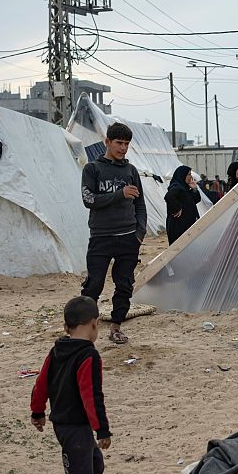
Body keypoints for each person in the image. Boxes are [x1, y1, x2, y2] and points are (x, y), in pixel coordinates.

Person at [30, 296, 113, 474]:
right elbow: (92, 396)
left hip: (71, 425)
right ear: (95, 324)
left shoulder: (57, 350)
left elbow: (40, 383)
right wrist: (102, 429)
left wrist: (37, 411)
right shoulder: (88, 355)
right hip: (73, 427)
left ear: (67, 326)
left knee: (95, 464)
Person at [80, 122, 147, 345]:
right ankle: (84, 330)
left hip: (128, 237)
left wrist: (140, 233)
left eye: (127, 144)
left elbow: (140, 205)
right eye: (119, 143)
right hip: (101, 237)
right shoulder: (92, 169)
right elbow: (89, 200)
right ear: (107, 142)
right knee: (93, 285)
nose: (123, 148)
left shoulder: (131, 171)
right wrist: (119, 194)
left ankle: (116, 327)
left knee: (124, 284)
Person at [164, 165, 202, 245]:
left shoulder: (185, 188)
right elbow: (169, 196)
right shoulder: (177, 186)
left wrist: (194, 189)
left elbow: (196, 199)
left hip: (186, 226)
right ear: (182, 175)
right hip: (178, 227)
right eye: (188, 174)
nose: (190, 177)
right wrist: (177, 208)